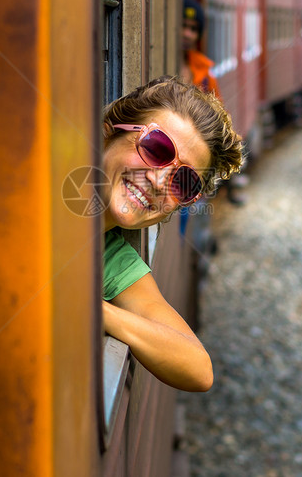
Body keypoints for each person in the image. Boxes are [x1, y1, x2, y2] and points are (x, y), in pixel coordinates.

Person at [100, 77, 243, 392]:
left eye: (184, 181)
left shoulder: (114, 261)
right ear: (111, 131)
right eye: (156, 148)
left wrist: (94, 310)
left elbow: (198, 368)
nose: (157, 180)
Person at [180, 0, 247, 206]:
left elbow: (219, 116)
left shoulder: (205, 73)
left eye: (193, 29)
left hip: (191, 165)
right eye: (183, 26)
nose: (187, 34)